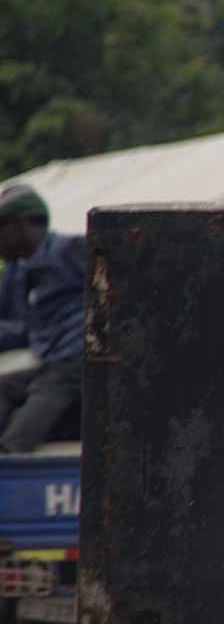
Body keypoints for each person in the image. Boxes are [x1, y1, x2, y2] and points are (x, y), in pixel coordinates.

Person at [0, 184, 87, 453]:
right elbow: (24, 330)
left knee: (41, 400)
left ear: (21, 226)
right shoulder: (17, 272)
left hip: (78, 362)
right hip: (50, 363)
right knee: (4, 387)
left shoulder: (71, 250)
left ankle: (11, 469)